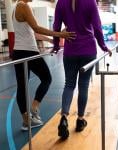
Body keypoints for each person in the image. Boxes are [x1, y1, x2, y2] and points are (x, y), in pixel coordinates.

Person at [12, 0, 76, 131]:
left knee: (22, 86)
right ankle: (34, 108)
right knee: (46, 78)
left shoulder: (16, 8)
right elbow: (36, 28)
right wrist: (60, 34)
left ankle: (26, 121)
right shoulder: (23, 6)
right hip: (27, 52)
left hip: (19, 51)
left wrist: (52, 40)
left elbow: (33, 33)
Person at [53, 0, 112, 139]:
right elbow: (97, 27)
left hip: (70, 50)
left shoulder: (61, 2)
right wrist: (103, 46)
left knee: (69, 84)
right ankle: (80, 120)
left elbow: (56, 27)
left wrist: (56, 46)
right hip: (88, 50)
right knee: (83, 85)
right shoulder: (90, 2)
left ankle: (63, 118)